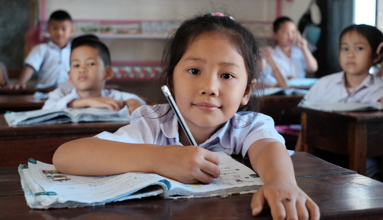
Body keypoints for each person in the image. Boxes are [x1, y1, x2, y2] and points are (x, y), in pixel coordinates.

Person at [52, 13, 320, 219]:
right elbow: (65, 157)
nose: (210, 88)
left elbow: (269, 148)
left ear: (246, 92)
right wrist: (160, 158)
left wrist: (280, 182)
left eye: (227, 76)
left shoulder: (246, 126)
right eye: (194, 71)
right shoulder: (154, 124)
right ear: (171, 79)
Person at [302, 24, 383, 178]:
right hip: (323, 157)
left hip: (365, 159)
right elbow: (305, 124)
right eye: (345, 48)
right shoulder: (323, 84)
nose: (350, 55)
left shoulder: (380, 89)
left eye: (359, 48)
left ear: (376, 56)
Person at [43, 35, 145, 114]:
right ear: (70, 75)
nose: (82, 70)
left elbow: (134, 99)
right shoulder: (61, 94)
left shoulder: (111, 96)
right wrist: (85, 102)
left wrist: (133, 102)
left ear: (107, 72)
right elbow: (46, 110)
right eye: (76, 65)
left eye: (90, 63)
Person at [7, 10, 73, 89]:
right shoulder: (41, 49)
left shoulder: (76, 50)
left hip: (69, 93)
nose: (59, 33)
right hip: (44, 92)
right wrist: (21, 82)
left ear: (71, 30)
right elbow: (30, 66)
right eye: (55, 28)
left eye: (64, 29)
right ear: (48, 29)